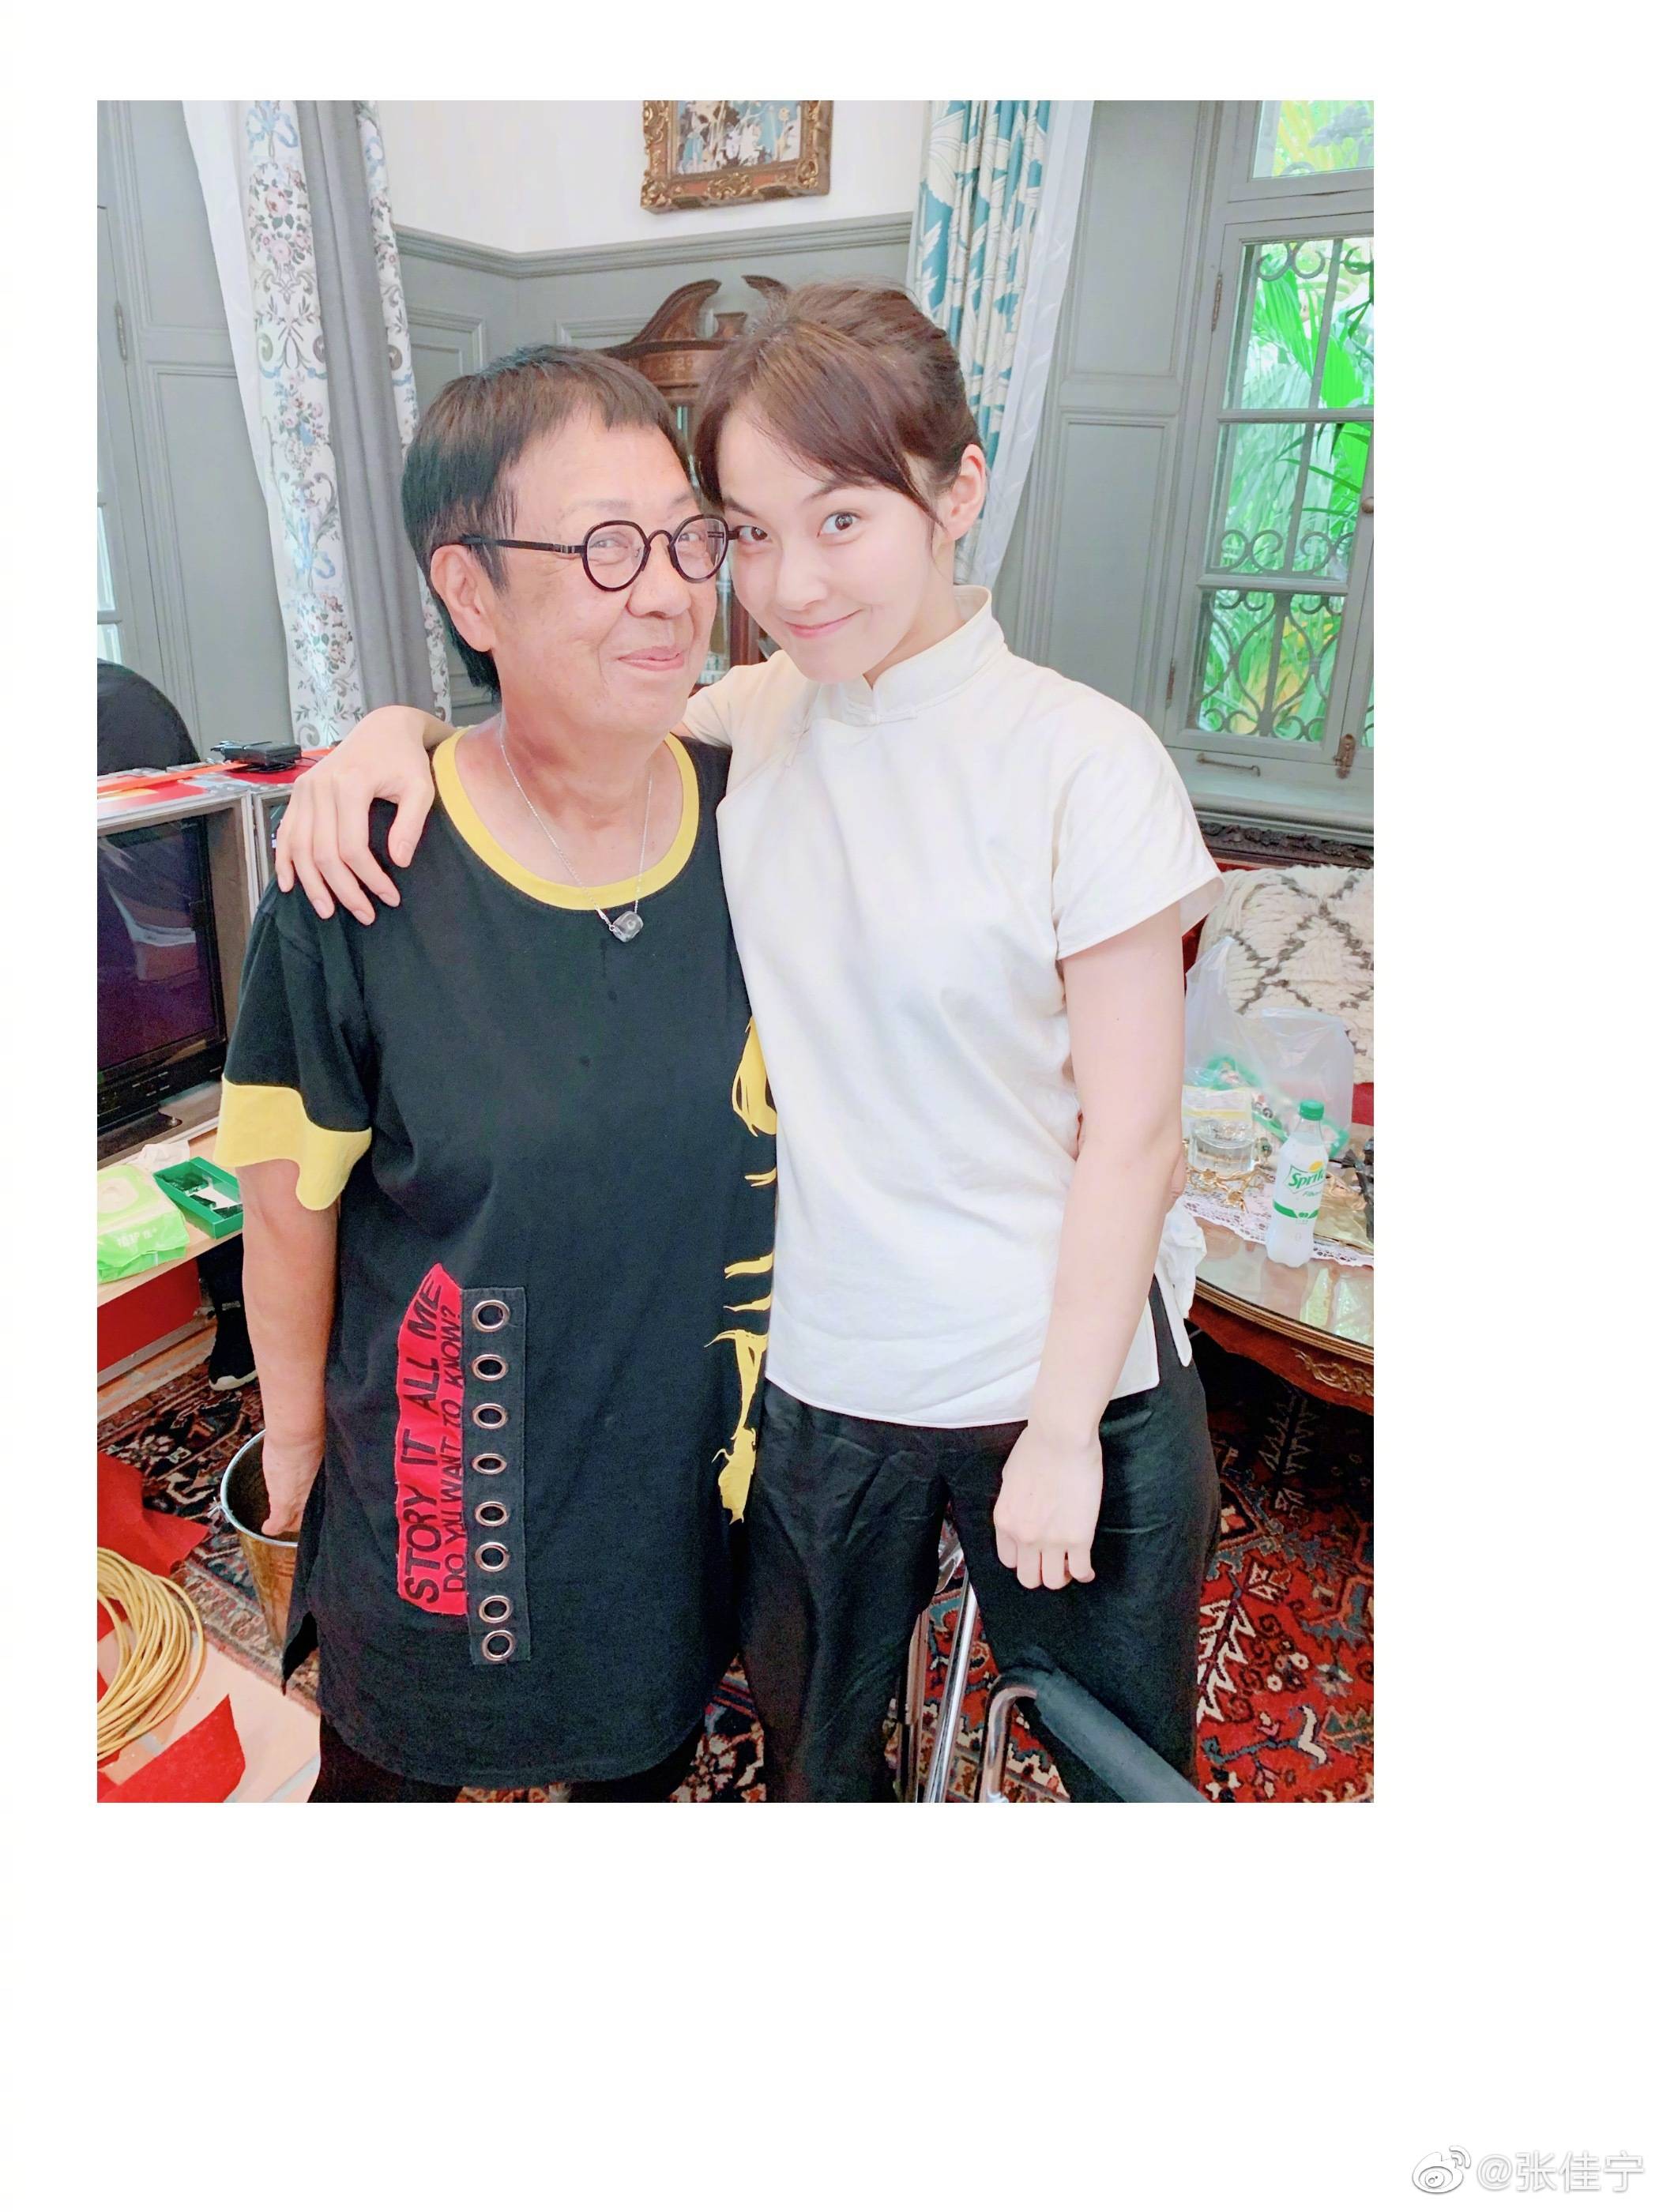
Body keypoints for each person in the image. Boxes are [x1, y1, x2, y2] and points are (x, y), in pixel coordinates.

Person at [275, 284, 1224, 1804]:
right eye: (752, 533)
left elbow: (1138, 1132)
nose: (788, 582)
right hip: (820, 1386)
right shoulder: (756, 723)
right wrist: (389, 737)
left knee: (1114, 1771)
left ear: (958, 492)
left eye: (842, 519)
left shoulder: (1083, 761)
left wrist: (1062, 1431)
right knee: (816, 1769)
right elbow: (556, 721)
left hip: (1055, 1374)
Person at [216, 347, 775, 1802]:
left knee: (636, 1777)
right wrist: (293, 1450)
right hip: (439, 1514)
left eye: (687, 538)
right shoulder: (366, 871)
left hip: (666, 1513)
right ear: (470, 594)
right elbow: (284, 1204)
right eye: (605, 548)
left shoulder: (764, 822)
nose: (669, 590)